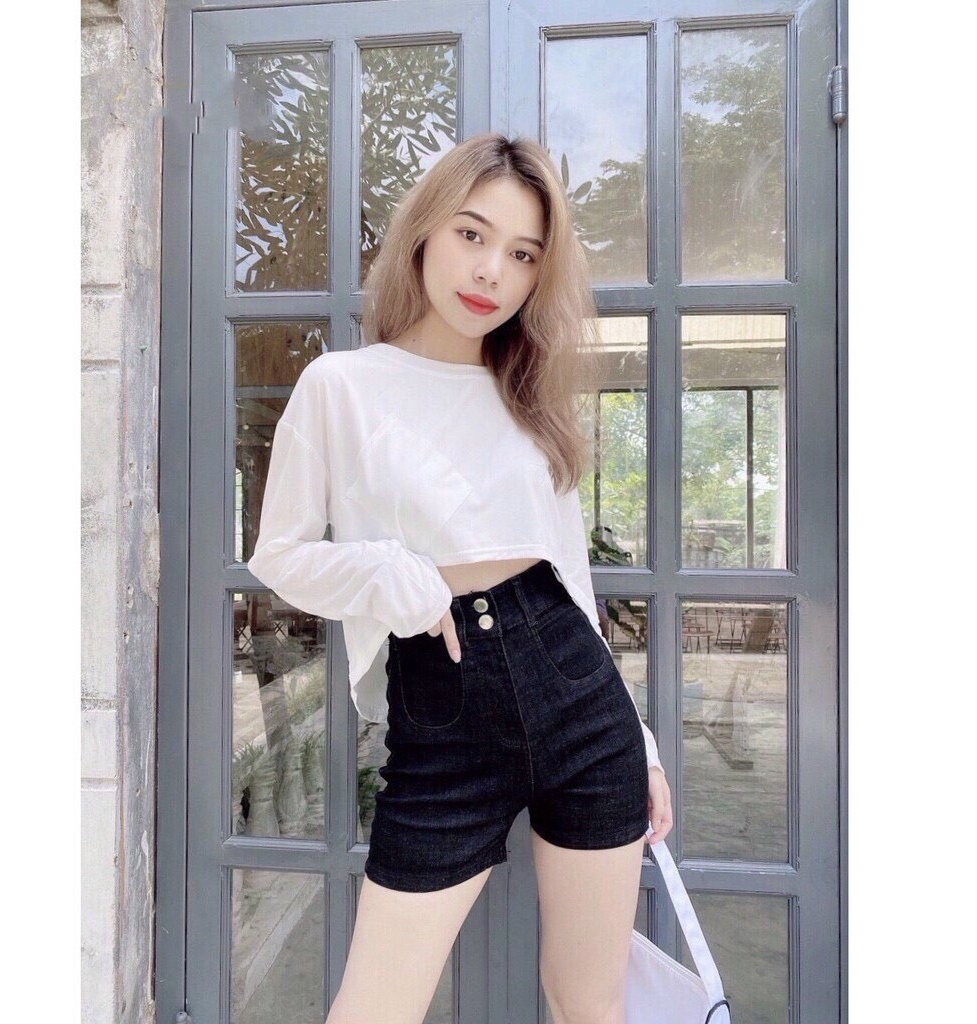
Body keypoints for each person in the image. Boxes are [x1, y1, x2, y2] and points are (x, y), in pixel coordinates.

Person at [247, 132, 674, 1024]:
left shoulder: (528, 393)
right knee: (373, 1008)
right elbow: (278, 556)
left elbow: (572, 580)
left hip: (579, 697)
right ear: (425, 232)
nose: (491, 272)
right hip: (443, 707)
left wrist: (641, 741)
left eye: (522, 255)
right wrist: (388, 574)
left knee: (589, 1002)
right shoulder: (341, 385)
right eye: (473, 235)